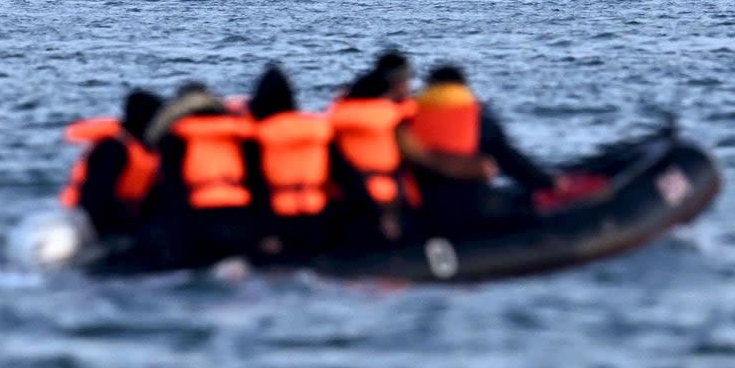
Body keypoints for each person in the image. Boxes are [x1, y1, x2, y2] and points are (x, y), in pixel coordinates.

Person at [328, 51, 491, 244]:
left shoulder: (336, 116)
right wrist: (473, 169)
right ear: (397, 84)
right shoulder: (393, 118)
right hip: (391, 207)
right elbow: (421, 158)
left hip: (342, 207)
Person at [409, 65, 560, 231]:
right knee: (521, 201)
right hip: (473, 205)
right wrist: (549, 183)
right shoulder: (475, 116)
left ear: (429, 87)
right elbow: (510, 160)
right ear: (463, 87)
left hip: (423, 209)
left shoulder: (409, 119)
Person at [143, 82, 257, 267]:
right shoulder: (237, 132)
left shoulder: (175, 136)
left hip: (196, 220)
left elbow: (167, 187)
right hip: (240, 218)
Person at [242, 64, 334, 259]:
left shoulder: (259, 134)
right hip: (318, 217)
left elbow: (256, 185)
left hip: (278, 220)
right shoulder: (317, 130)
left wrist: (265, 232)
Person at [60, 89, 163, 238]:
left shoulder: (148, 150)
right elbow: (95, 198)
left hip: (126, 219)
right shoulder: (113, 149)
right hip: (88, 221)